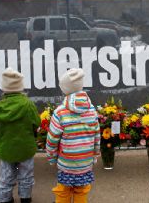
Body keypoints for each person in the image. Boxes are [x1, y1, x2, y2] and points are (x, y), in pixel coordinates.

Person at [46, 68, 100, 203]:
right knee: (81, 190)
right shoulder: (92, 110)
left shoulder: (60, 112)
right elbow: (96, 135)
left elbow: (52, 139)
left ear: (65, 89)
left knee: (63, 190)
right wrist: (95, 154)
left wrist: (52, 157)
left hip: (66, 162)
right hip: (85, 161)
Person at [0, 67, 41, 203]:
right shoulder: (28, 104)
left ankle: (5, 199)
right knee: (26, 175)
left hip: (6, 149)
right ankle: (25, 198)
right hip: (26, 148)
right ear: (20, 87)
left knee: (6, 178)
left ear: (3, 87)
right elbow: (36, 123)